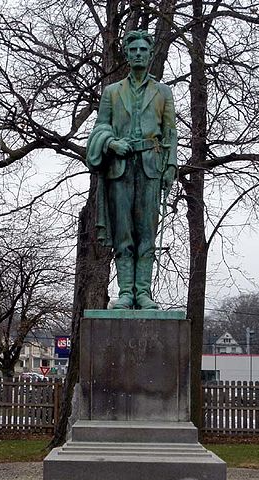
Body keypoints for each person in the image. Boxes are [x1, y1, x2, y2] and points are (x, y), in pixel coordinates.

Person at [86, 30, 177, 309]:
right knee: (124, 233)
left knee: (147, 233)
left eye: (143, 50)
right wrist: (112, 143)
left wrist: (170, 166)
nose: (138, 53)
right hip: (121, 169)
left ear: (150, 55)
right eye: (133, 49)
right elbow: (100, 126)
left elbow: (170, 132)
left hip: (151, 166)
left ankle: (143, 293)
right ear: (127, 54)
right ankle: (126, 292)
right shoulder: (112, 93)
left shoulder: (163, 92)